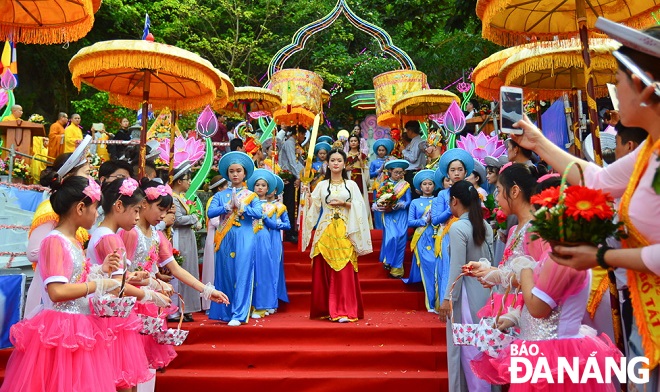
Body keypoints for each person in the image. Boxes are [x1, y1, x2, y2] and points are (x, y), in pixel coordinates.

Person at [508, 22, 660, 388]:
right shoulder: (649, 152)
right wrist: (539, 142)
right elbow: (596, 179)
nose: (615, 93)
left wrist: (603, 258)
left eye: (618, 81)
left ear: (643, 86)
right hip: (640, 310)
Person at [1, 176, 128, 392]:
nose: (97, 213)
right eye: (95, 207)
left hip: (79, 325)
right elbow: (57, 291)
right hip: (61, 328)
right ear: (80, 208)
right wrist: (100, 285)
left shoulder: (73, 241)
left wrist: (100, 271)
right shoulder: (54, 241)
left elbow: (73, 279)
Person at [89, 177, 171, 391]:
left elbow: (113, 277)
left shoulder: (103, 234)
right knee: (124, 380)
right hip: (113, 318)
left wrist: (136, 277)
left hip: (111, 313)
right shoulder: (112, 239)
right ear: (118, 206)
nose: (137, 217)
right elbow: (116, 285)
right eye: (135, 211)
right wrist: (150, 295)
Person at [24, 137, 93, 318]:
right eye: (86, 173)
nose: (89, 178)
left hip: (73, 292)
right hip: (49, 290)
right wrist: (61, 253)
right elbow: (32, 252)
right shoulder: (50, 209)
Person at [302, 148, 372, 322]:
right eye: (332, 160)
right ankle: (326, 308)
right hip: (325, 230)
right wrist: (307, 196)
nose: (335, 163)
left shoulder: (352, 185)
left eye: (339, 160)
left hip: (345, 229)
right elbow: (314, 207)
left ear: (344, 164)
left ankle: (344, 309)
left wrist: (344, 204)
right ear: (328, 163)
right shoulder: (321, 185)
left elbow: (361, 206)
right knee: (324, 269)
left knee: (344, 269)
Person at [437, 180, 493, 392]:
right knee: (483, 346)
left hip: (467, 294)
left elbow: (457, 268)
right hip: (486, 291)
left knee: (468, 348)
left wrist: (447, 298)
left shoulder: (458, 226)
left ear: (455, 201)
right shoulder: (485, 225)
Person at [207, 152, 261, 326]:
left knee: (242, 273)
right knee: (225, 273)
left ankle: (239, 314)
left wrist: (242, 207)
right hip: (224, 238)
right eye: (231, 171)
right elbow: (210, 212)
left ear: (244, 173)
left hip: (245, 237)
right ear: (227, 174)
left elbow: (259, 214)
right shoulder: (220, 196)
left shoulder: (252, 196)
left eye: (238, 171)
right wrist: (227, 206)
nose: (235, 174)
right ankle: (225, 311)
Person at [431, 148, 474, 302]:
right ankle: (446, 302)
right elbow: (435, 220)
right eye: (453, 170)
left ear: (466, 172)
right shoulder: (443, 194)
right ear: (447, 173)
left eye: (460, 170)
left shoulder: (471, 190)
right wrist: (452, 209)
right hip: (448, 234)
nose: (456, 173)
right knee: (449, 269)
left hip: (470, 232)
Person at [170, 162, 202, 322]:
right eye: (187, 179)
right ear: (179, 181)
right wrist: (194, 218)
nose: (189, 183)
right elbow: (177, 219)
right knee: (183, 269)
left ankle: (188, 307)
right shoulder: (173, 198)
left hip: (187, 236)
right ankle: (180, 307)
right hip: (179, 237)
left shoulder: (181, 198)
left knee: (190, 269)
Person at [247, 169, 278, 318]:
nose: (260, 187)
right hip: (248, 236)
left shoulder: (272, 206)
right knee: (248, 269)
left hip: (263, 236)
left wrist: (264, 217)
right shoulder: (247, 202)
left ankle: (263, 304)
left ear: (268, 188)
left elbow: (274, 225)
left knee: (264, 269)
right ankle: (249, 303)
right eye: (257, 185)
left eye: (263, 185)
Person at [405, 169, 438, 312]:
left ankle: (438, 300)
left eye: (430, 183)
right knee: (428, 267)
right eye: (424, 184)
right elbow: (410, 222)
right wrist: (423, 221)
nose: (427, 186)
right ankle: (430, 302)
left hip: (437, 236)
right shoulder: (414, 202)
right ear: (420, 186)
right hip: (422, 238)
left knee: (438, 268)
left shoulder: (439, 200)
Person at [373, 159, 411, 278]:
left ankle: (397, 268)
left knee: (401, 238)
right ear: (390, 171)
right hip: (388, 214)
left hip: (401, 214)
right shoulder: (384, 185)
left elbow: (408, 200)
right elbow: (378, 199)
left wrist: (401, 205)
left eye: (401, 173)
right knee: (392, 236)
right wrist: (379, 205)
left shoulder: (405, 185)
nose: (399, 175)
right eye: (396, 172)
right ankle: (388, 260)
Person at [201, 175, 227, 311]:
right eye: (226, 186)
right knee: (212, 269)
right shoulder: (214, 200)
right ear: (219, 188)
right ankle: (210, 304)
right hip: (215, 236)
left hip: (219, 236)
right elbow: (216, 221)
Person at [267, 175, 290, 308]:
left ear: (275, 190)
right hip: (259, 237)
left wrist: (275, 224)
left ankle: (273, 301)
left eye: (271, 188)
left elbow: (287, 225)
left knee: (274, 268)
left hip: (274, 238)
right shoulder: (256, 204)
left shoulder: (280, 207)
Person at [279, 126, 306, 243]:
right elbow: (292, 162)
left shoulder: (295, 144)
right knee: (290, 205)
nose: (304, 137)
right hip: (289, 178)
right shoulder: (290, 143)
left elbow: (298, 162)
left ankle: (293, 230)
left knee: (295, 205)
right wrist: (300, 176)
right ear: (298, 133)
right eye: (303, 135)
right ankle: (289, 232)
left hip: (295, 176)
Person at [369, 138, 394, 230]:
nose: (381, 152)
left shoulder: (390, 161)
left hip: (388, 185)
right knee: (378, 205)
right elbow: (370, 175)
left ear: (386, 151)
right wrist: (378, 170)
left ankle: (388, 226)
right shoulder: (374, 162)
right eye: (379, 150)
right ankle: (379, 227)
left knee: (388, 204)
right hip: (377, 186)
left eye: (383, 150)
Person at [402, 121, 426, 199]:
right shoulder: (414, 141)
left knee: (414, 195)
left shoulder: (418, 141)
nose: (407, 133)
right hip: (411, 171)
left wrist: (403, 151)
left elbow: (413, 158)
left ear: (411, 130)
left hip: (414, 171)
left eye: (407, 130)